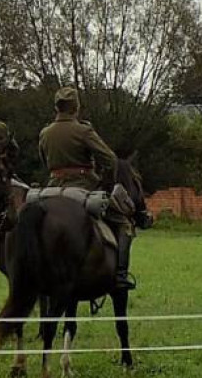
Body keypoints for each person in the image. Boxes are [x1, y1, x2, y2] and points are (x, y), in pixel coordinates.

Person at [38, 86, 135, 290]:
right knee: (124, 223)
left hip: (52, 188)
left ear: (57, 108)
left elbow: (44, 160)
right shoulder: (83, 130)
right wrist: (104, 182)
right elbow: (110, 159)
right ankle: (120, 275)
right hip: (83, 186)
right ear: (76, 107)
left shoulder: (45, 133)